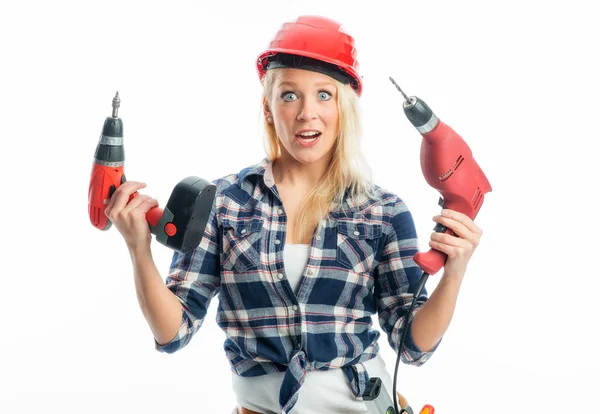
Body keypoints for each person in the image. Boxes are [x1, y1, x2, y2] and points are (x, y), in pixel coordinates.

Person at [104, 15, 483, 414]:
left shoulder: (382, 212)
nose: (307, 113)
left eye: (324, 95)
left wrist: (455, 271)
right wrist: (139, 249)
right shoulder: (226, 203)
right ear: (268, 108)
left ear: (345, 109)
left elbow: (413, 347)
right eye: (289, 95)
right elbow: (173, 333)